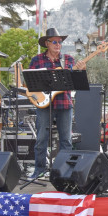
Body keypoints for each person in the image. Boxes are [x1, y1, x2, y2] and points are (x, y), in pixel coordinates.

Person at [28, 28, 86, 179]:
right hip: (44, 104)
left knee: (66, 140)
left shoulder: (68, 60)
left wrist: (81, 71)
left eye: (60, 42)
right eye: (54, 41)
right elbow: (30, 82)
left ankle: (65, 172)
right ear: (47, 43)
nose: (58, 44)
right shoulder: (36, 60)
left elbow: (75, 83)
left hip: (64, 104)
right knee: (41, 138)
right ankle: (39, 170)